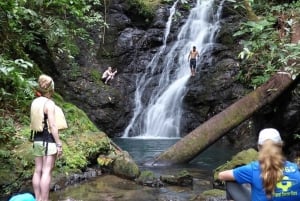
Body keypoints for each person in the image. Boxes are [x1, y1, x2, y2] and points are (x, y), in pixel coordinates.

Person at [218, 128, 300, 201]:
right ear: (281, 146)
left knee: (231, 181)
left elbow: (221, 175)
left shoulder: (254, 168)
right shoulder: (295, 168)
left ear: (259, 147)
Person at [30, 74, 68, 201]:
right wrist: (58, 144)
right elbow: (52, 125)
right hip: (48, 141)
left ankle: (38, 198)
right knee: (47, 171)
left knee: (37, 170)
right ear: (51, 89)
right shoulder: (49, 104)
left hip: (37, 140)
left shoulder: (35, 102)